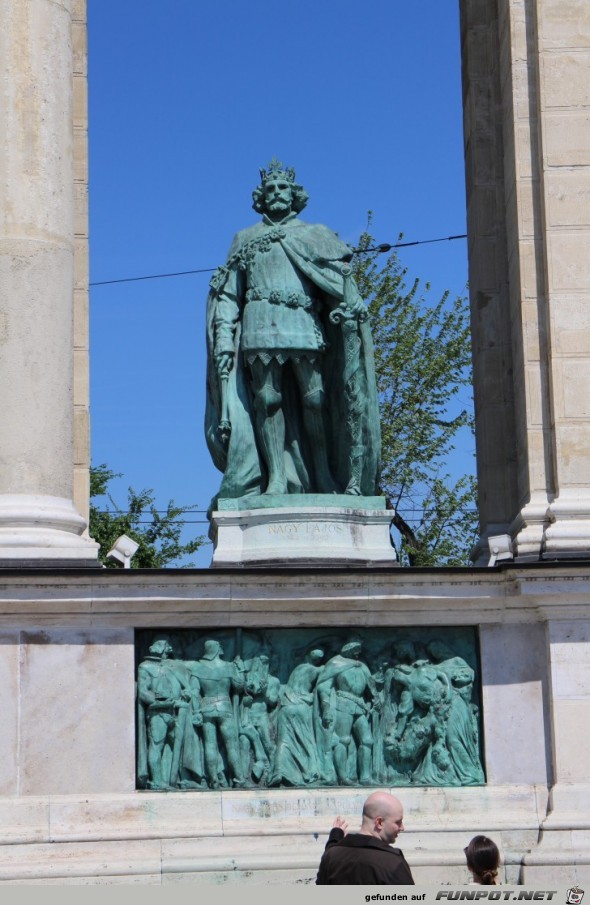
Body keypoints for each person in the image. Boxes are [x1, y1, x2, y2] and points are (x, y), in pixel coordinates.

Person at [205, 159, 380, 506]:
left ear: (294, 194)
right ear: (261, 197)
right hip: (259, 327)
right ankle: (275, 481)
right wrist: (225, 336)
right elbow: (228, 294)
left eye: (282, 188)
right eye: (270, 189)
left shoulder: (315, 235)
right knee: (267, 401)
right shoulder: (245, 239)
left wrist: (350, 306)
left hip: (304, 326)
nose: (276, 194)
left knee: (315, 400)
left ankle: (324, 474)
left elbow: (339, 284)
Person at [315, 791, 414, 885]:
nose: (402, 827)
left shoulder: (331, 855)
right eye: (398, 822)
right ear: (379, 823)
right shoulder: (393, 863)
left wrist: (334, 841)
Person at [187, 639, 248, 788]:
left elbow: (194, 693)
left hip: (206, 707)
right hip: (225, 707)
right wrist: (241, 670)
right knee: (232, 745)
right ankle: (239, 779)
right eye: (220, 646)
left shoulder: (197, 668)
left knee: (210, 745)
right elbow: (239, 686)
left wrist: (196, 711)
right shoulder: (228, 667)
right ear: (216, 649)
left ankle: (213, 781)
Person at [316, 639, 377, 785]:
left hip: (359, 705)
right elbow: (324, 687)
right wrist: (326, 709)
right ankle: (343, 778)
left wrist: (375, 698)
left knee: (367, 740)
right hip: (342, 704)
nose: (358, 652)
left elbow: (371, 686)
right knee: (343, 740)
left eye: (359, 649)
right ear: (347, 648)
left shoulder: (362, 665)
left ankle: (365, 777)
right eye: (355, 648)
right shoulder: (335, 663)